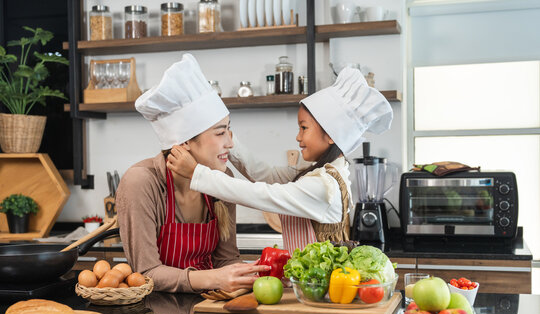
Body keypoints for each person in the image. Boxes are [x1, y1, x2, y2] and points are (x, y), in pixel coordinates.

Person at [167, 67, 393, 252]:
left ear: (332, 135)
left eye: (304, 128)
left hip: (319, 288)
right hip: (309, 284)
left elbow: (262, 194)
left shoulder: (324, 187)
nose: (298, 137)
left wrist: (196, 173)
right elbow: (267, 175)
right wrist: (229, 141)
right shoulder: (320, 172)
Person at [116, 54, 270, 293]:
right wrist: (215, 279)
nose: (230, 143)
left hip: (214, 312)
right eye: (220, 133)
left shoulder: (223, 180)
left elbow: (225, 260)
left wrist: (248, 276)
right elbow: (145, 273)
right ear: (186, 141)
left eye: (229, 130)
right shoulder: (142, 182)